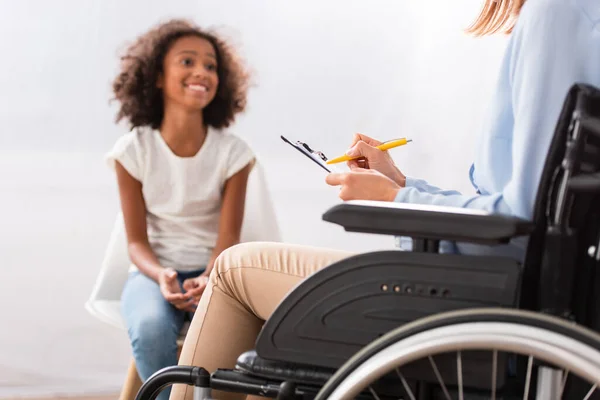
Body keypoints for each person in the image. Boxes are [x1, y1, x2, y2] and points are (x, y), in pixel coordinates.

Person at [171, 0, 600, 399]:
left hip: (487, 302)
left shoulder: (555, 12)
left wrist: (395, 198)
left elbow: (522, 220)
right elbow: (525, 207)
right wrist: (400, 183)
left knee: (233, 270)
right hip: (516, 291)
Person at [105, 19, 255, 400]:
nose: (201, 72)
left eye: (210, 65)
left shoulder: (234, 154)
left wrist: (209, 277)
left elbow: (228, 239)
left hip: (215, 273)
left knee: (234, 349)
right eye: (187, 62)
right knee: (151, 328)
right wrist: (161, 276)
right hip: (153, 272)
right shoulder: (132, 152)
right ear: (157, 77)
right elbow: (136, 243)